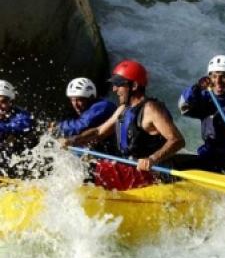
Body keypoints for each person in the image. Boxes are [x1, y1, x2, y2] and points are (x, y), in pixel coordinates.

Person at [61, 60, 185, 190]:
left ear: (134, 86)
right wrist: (73, 140)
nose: (114, 89)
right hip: (129, 168)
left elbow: (177, 140)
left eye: (118, 85)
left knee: (87, 170)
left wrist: (152, 159)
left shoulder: (151, 109)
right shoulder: (123, 109)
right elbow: (98, 132)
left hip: (152, 174)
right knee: (78, 162)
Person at [51, 77, 117, 154]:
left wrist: (57, 126)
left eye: (79, 100)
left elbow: (81, 126)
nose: (75, 104)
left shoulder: (103, 106)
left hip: (116, 154)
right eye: (72, 100)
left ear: (91, 98)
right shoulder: (87, 109)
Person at [0, 79, 37, 176]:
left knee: (12, 138)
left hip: (16, 162)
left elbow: (23, 125)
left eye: (3, 102)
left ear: (11, 102)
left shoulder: (22, 115)